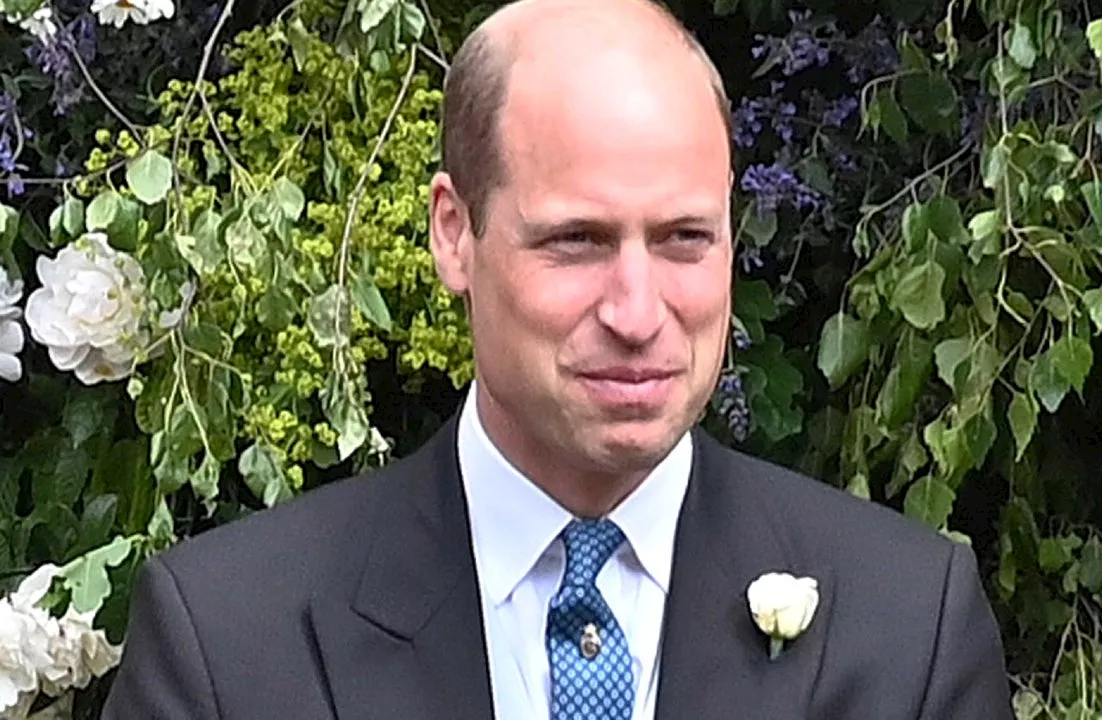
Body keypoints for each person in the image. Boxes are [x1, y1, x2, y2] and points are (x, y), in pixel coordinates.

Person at [100, 0, 1015, 716]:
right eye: (576, 240)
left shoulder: (907, 627)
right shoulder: (232, 641)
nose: (637, 309)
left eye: (685, 238)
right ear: (455, 235)